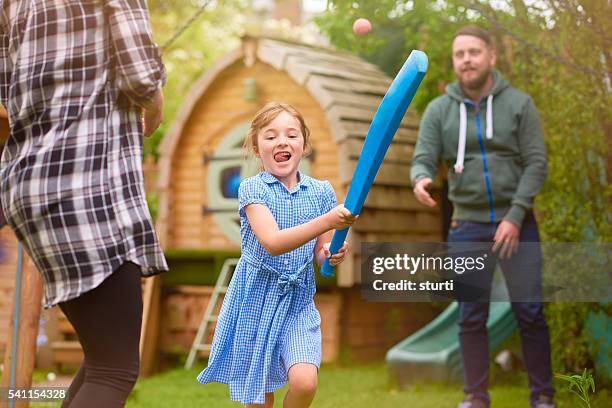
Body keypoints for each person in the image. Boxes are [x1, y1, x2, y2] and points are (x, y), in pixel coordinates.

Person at [0, 1, 167, 407]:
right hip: (86, 186)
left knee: (101, 360)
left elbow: (7, 82)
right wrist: (155, 102)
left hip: (28, 181)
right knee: (115, 369)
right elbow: (141, 74)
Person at [410, 26, 555, 408]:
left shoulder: (519, 104)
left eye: (474, 51)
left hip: (517, 224)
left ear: (491, 57)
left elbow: (537, 163)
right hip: (467, 226)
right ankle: (475, 397)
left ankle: (542, 397)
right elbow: (424, 154)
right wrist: (420, 177)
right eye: (460, 54)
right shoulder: (440, 110)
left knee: (530, 311)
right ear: (454, 62)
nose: (467, 59)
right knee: (471, 315)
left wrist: (515, 215)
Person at [197, 102, 356, 407]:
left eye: (291, 135)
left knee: (305, 382)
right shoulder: (253, 190)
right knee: (259, 400)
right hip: (255, 303)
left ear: (304, 145)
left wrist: (332, 255)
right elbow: (272, 242)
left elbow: (322, 254)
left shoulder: (322, 193)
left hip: (297, 304)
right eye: (270, 136)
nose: (282, 141)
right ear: (257, 148)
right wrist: (328, 222)